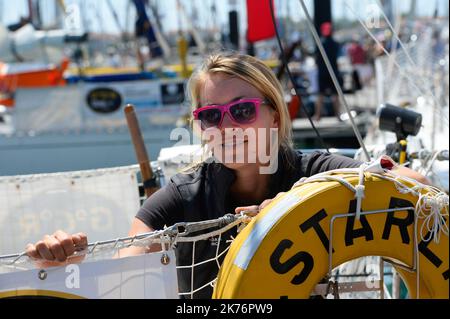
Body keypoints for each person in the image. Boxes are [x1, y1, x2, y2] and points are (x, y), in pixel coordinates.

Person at [25, 52, 430, 299]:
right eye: (210, 116)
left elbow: (419, 187)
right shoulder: (181, 198)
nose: (228, 127)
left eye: (242, 111)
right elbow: (124, 270)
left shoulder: (314, 171)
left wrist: (291, 205)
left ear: (274, 113)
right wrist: (69, 263)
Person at [314, 22, 342, 122]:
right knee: (335, 95)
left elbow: (316, 59)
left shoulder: (319, 43)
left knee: (320, 95)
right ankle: (338, 116)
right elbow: (338, 57)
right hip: (333, 72)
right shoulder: (335, 44)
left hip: (322, 72)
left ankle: (317, 116)